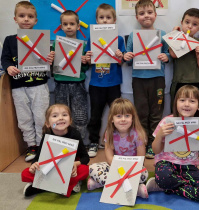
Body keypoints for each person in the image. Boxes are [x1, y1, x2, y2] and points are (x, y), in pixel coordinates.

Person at [147, 85, 199, 202]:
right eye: (182, 100)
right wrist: (159, 136)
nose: (187, 104)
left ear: (198, 106)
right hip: (166, 163)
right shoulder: (166, 122)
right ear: (176, 103)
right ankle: (166, 183)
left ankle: (168, 187)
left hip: (189, 166)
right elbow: (156, 151)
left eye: (192, 101)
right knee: (164, 177)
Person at [1, 1, 50, 162]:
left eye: (30, 17)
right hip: (18, 86)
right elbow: (5, 59)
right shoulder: (9, 40)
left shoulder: (42, 39)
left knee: (41, 117)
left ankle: (42, 146)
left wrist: (50, 58)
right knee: (24, 118)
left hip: (39, 85)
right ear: (15, 19)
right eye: (22, 16)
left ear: (36, 20)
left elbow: (47, 61)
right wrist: (8, 68)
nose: (26, 19)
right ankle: (31, 146)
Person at [123, 0, 170, 159]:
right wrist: (127, 57)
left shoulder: (163, 34)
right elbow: (128, 58)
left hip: (157, 78)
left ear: (155, 15)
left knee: (156, 113)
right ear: (137, 17)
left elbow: (169, 54)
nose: (146, 16)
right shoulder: (132, 36)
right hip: (138, 79)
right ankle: (142, 143)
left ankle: (153, 143)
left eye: (149, 12)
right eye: (142, 13)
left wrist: (166, 56)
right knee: (141, 113)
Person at [21, 104, 90, 197]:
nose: (60, 118)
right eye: (55, 116)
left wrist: (75, 164)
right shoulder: (46, 136)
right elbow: (37, 159)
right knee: (25, 173)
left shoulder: (75, 134)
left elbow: (85, 158)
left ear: (70, 121)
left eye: (64, 115)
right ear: (48, 123)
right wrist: (34, 165)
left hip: (69, 169)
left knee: (85, 170)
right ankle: (64, 185)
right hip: (51, 168)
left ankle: (43, 186)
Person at [87, 98, 149, 198]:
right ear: (112, 119)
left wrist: (129, 170)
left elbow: (141, 158)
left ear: (132, 118)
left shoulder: (138, 134)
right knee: (92, 168)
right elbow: (109, 155)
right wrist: (117, 168)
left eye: (127, 116)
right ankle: (135, 189)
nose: (123, 119)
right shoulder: (109, 133)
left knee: (144, 174)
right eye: (119, 116)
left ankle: (100, 184)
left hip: (132, 168)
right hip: (115, 167)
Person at [85, 3, 125, 158]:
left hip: (113, 83)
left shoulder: (119, 39)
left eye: (108, 18)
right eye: (101, 18)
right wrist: (88, 58)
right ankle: (93, 142)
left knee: (117, 114)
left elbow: (122, 62)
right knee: (95, 115)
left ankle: (117, 141)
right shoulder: (91, 38)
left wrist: (120, 56)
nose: (105, 20)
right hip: (96, 84)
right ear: (96, 20)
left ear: (114, 20)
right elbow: (88, 63)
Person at [48, 10, 89, 141]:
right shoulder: (55, 44)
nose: (69, 26)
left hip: (78, 84)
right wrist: (51, 59)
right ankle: (62, 143)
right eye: (65, 24)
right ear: (61, 27)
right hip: (60, 84)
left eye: (72, 23)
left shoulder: (83, 45)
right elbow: (53, 67)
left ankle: (80, 144)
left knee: (80, 116)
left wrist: (85, 62)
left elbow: (85, 68)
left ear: (78, 26)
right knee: (60, 116)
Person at [169, 8, 199, 109]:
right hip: (178, 81)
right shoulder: (176, 40)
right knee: (176, 111)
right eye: (187, 22)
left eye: (195, 24)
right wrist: (173, 36)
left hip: (194, 82)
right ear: (182, 23)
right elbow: (173, 54)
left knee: (194, 111)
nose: (190, 26)